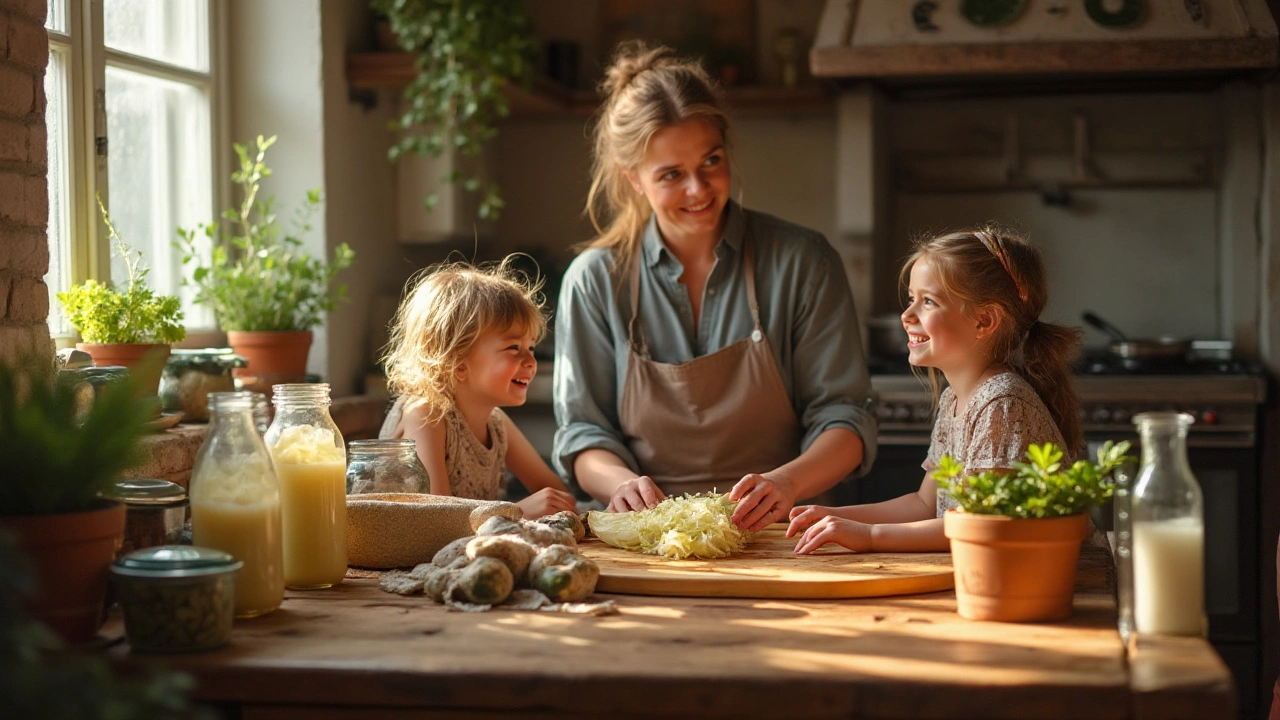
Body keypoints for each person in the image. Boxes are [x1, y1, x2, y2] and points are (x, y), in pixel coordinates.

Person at [552, 41, 877, 531]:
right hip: (647, 536)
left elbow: (846, 417)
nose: (699, 190)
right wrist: (619, 484)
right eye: (671, 175)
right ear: (633, 178)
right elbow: (583, 430)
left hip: (784, 529)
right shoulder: (595, 280)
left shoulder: (804, 261)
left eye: (711, 161)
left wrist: (787, 483)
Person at [787, 227, 1083, 553]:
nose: (907, 315)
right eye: (911, 299)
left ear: (984, 321)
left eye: (928, 302)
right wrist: (833, 516)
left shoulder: (1001, 403)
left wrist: (870, 537)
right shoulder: (955, 399)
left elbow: (977, 526)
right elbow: (924, 504)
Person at [380, 258, 577, 519]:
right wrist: (515, 511)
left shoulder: (496, 422)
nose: (531, 362)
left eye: (531, 347)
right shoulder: (426, 415)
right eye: (513, 348)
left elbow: (554, 492)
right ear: (457, 361)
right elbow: (438, 521)